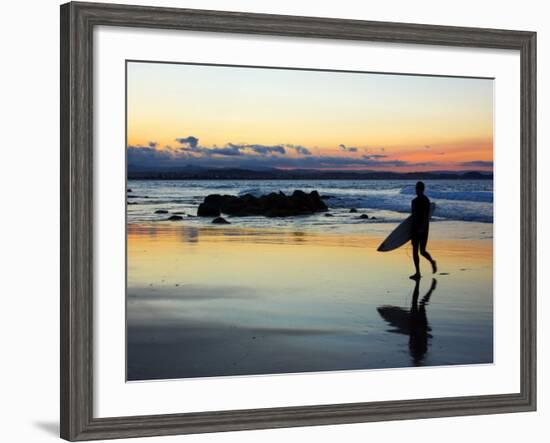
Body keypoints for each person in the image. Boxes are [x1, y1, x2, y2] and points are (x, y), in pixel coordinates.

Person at [410, 181, 437, 280]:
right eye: (416, 188)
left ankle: (432, 262)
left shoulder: (425, 200)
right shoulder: (415, 201)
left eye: (418, 189)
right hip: (416, 228)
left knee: (422, 251)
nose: (417, 190)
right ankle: (417, 272)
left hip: (422, 228)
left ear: (421, 189)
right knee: (415, 251)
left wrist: (421, 228)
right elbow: (412, 217)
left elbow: (426, 216)